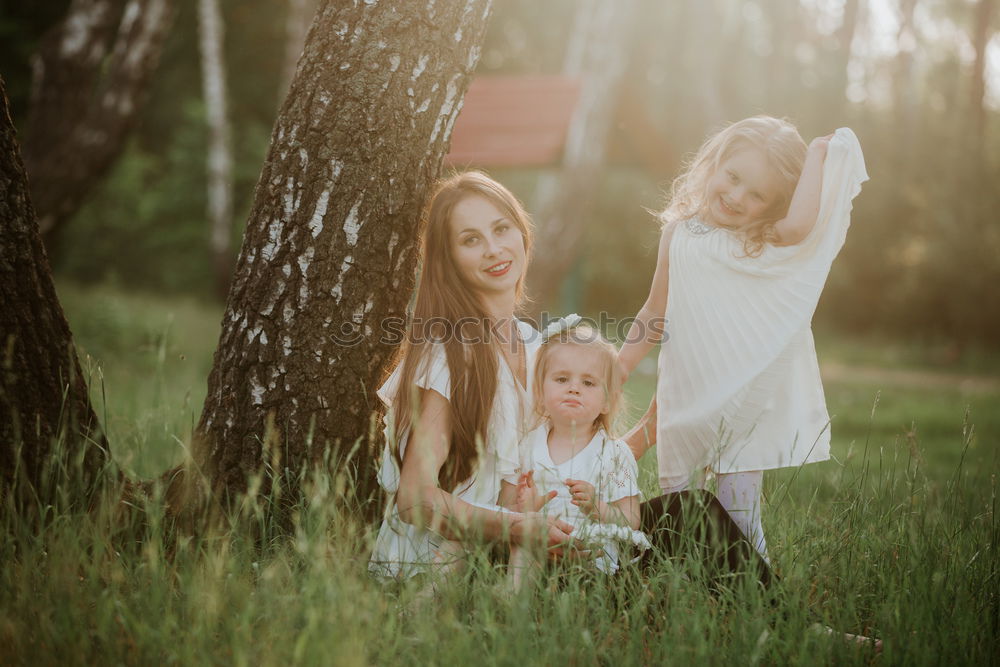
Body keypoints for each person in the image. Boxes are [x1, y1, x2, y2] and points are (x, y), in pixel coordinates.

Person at [618, 116, 869, 563]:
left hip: (743, 399)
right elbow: (654, 311)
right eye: (733, 178)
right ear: (714, 162)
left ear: (774, 206)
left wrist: (815, 156)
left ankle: (759, 604)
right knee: (683, 507)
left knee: (739, 514)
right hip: (687, 395)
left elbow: (799, 228)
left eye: (758, 195)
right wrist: (619, 367)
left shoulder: (761, 238)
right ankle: (693, 594)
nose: (736, 197)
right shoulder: (679, 233)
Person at [367, 171, 577, 582]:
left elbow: (577, 458)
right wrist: (516, 527)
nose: (494, 249)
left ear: (522, 232)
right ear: (449, 260)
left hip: (516, 555)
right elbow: (414, 499)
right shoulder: (451, 355)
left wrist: (650, 428)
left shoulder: (538, 349)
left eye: (501, 229)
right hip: (440, 564)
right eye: (470, 239)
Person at [500, 319, 650, 587]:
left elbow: (631, 520)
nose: (574, 388)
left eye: (589, 383)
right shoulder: (526, 445)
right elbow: (505, 507)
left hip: (590, 559)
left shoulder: (614, 454)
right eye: (561, 379)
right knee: (525, 544)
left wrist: (597, 507)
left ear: (607, 401)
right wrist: (526, 508)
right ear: (541, 391)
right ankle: (513, 604)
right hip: (538, 548)